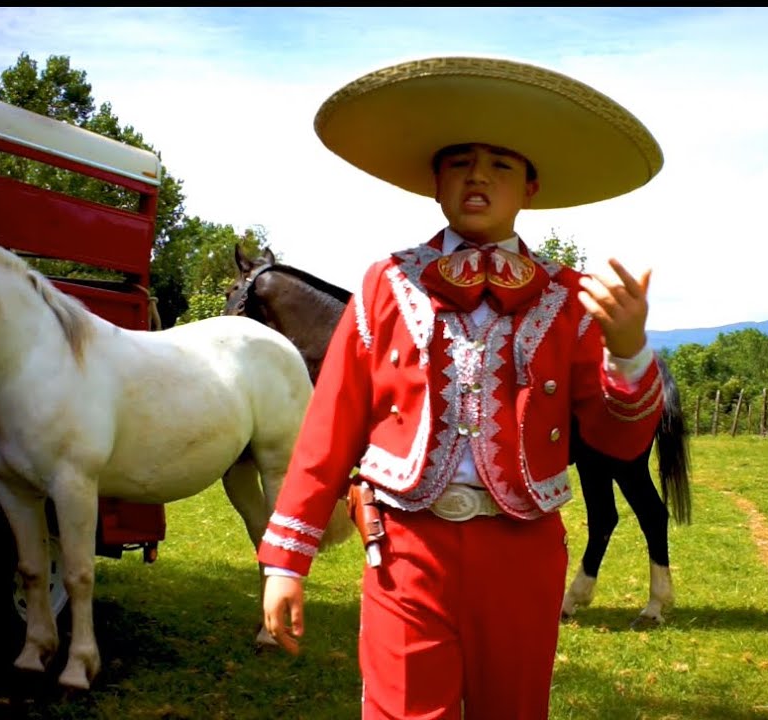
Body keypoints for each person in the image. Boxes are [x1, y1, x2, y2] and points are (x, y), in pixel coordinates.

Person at [258, 55, 667, 719]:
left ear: (531, 186)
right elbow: (329, 427)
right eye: (460, 161)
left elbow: (618, 441)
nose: (478, 175)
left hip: (524, 557)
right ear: (435, 181)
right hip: (404, 554)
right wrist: (286, 562)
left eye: (500, 164)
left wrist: (628, 352)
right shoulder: (384, 284)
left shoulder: (568, 300)